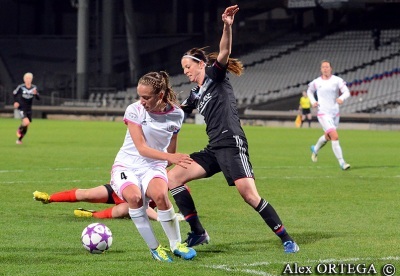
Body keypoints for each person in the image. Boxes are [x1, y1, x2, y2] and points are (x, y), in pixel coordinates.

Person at [167, 5, 299, 254]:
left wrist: (227, 25)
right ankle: (198, 233)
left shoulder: (215, 76)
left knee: (249, 195)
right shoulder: (195, 93)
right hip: (214, 148)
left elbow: (225, 50)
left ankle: (287, 238)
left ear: (200, 64)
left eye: (187, 67)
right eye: (183, 68)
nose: (185, 72)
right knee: (172, 178)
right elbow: (177, 114)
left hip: (231, 143)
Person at [110, 71, 196, 262]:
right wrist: (171, 157)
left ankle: (176, 244)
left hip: (154, 164)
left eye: (146, 97)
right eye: (140, 96)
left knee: (160, 195)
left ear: (160, 95)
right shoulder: (134, 110)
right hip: (128, 164)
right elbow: (141, 148)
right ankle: (155, 248)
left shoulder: (177, 114)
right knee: (134, 197)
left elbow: (172, 143)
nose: (141, 101)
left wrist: (166, 164)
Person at [32, 185, 186, 221]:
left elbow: (144, 207)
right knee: (88, 193)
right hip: (120, 189)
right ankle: (49, 198)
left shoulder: (162, 180)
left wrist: (165, 217)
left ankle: (92, 215)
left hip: (133, 202)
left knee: (124, 209)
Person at [307, 60, 351, 170]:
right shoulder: (316, 82)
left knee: (328, 136)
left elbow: (347, 92)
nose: (325, 69)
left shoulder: (337, 80)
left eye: (327, 67)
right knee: (335, 136)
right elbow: (309, 91)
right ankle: (342, 163)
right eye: (323, 67)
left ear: (331, 68)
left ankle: (315, 149)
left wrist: (341, 98)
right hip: (323, 113)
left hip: (335, 113)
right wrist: (313, 101)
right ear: (321, 69)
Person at [13, 72, 40, 144]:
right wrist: (16, 102)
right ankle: (19, 129)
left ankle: (19, 139)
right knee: (26, 122)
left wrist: (36, 94)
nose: (28, 80)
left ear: (31, 79)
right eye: (27, 78)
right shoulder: (21, 87)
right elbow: (14, 94)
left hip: (29, 108)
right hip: (22, 107)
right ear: (24, 79)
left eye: (29, 78)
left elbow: (38, 98)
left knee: (27, 125)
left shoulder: (34, 88)